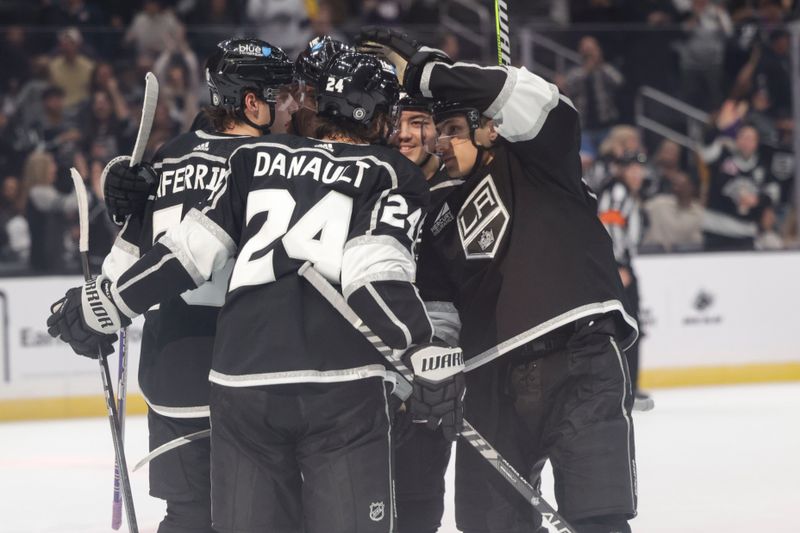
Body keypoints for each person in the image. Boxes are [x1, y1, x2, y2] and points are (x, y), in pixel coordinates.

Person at [48, 49, 465, 533]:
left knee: (203, 519)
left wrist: (108, 303)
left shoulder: (243, 158)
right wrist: (420, 348)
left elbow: (186, 252)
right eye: (284, 95)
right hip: (336, 383)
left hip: (233, 381)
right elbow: (373, 273)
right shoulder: (388, 171)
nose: (293, 104)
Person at [359, 28, 638, 533]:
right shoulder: (432, 208)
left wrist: (431, 71)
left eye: (451, 129)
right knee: (488, 526)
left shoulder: (539, 158)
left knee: (598, 517)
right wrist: (431, 366)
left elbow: (532, 95)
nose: (439, 143)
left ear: (488, 129)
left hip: (580, 358)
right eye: (435, 132)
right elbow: (440, 308)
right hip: (488, 384)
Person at [98, 38, 296, 533]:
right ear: (252, 104)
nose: (294, 105)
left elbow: (120, 265)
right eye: (283, 94)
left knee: (186, 518)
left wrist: (118, 197)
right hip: (247, 378)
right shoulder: (277, 160)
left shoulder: (170, 155)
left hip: (168, 376)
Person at [389, 94, 457, 533]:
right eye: (395, 121)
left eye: (419, 122)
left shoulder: (459, 192)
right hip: (367, 376)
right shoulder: (365, 187)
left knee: (418, 503)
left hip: (432, 375)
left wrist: (441, 352)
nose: (405, 133)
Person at [597, 152, 654, 412]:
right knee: (627, 326)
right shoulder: (617, 190)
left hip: (619, 264)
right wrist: (617, 264)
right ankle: (626, 387)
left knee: (628, 326)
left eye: (639, 169)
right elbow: (607, 225)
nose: (637, 174)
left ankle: (627, 386)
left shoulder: (624, 191)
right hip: (617, 267)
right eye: (631, 168)